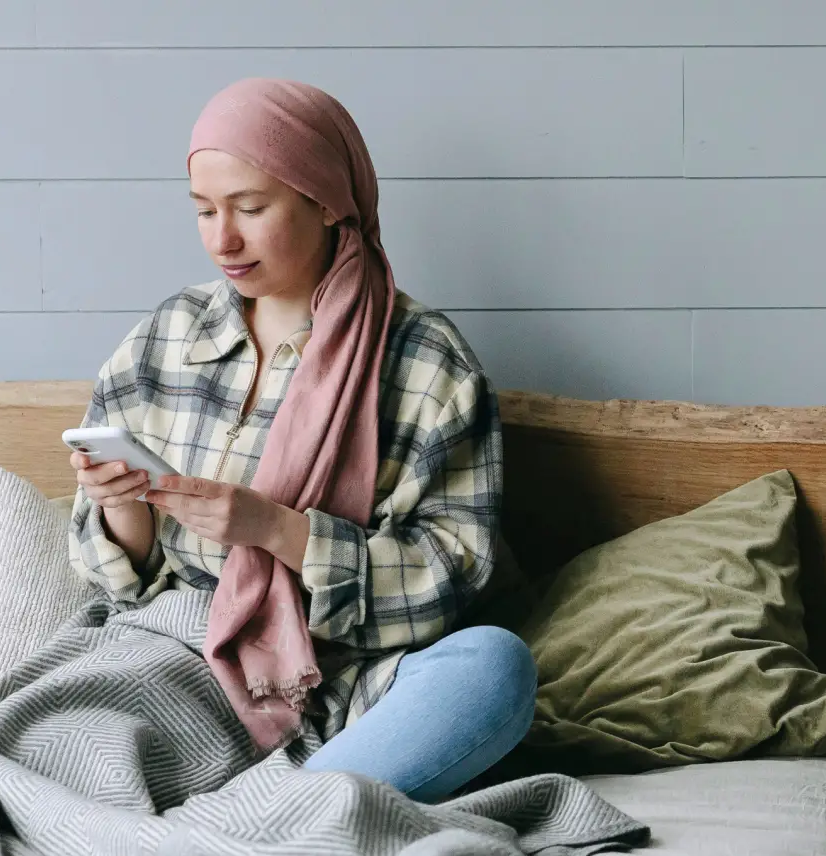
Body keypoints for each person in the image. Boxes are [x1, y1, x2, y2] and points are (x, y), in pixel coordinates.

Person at [67, 77, 536, 804]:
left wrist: (279, 532)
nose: (223, 238)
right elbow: (116, 582)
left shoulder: (426, 362)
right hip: (175, 650)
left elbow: (452, 577)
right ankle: (277, 821)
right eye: (203, 211)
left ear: (325, 202)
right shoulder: (167, 337)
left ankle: (268, 814)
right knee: (43, 729)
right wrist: (122, 507)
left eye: (251, 208)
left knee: (493, 669)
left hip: (345, 677)